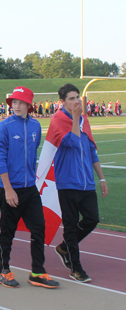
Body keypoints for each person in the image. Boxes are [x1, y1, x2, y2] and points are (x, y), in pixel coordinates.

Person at [0, 87, 59, 289]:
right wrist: (8, 189)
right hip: (10, 187)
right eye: (14, 102)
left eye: (20, 102)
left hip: (30, 188)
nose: (16, 105)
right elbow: (1, 159)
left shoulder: (35, 126)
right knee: (8, 230)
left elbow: (33, 153)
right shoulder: (4, 127)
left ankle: (37, 272)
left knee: (39, 227)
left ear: (29, 105)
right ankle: (3, 270)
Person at [51, 84, 108, 283]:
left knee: (92, 219)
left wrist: (101, 177)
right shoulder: (58, 120)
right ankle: (76, 268)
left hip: (86, 183)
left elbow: (91, 149)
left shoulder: (84, 120)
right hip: (68, 183)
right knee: (71, 225)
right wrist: (75, 118)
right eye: (72, 99)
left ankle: (65, 247)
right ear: (63, 102)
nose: (77, 101)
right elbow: (72, 142)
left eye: (78, 98)